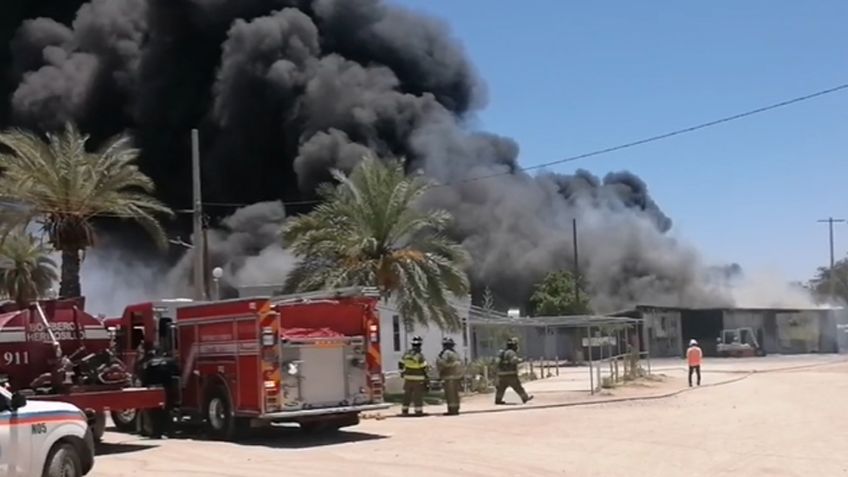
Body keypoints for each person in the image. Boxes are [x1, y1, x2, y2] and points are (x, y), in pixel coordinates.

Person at [494, 337, 534, 405]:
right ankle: (525, 398)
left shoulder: (503, 353)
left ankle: (498, 400)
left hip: (501, 375)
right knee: (518, 388)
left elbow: (496, 362)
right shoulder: (511, 353)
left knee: (500, 389)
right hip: (511, 375)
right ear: (514, 346)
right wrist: (520, 360)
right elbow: (514, 360)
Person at [398, 336, 429, 416]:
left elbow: (400, 363)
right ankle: (418, 411)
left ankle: (405, 410)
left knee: (407, 395)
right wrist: (426, 377)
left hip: (408, 378)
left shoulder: (407, 354)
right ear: (420, 345)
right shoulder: (420, 355)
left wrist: (402, 372)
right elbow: (424, 367)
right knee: (417, 396)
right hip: (418, 379)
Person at [436, 337, 462, 415]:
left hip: (448, 376)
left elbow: (443, 363)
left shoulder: (446, 353)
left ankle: (451, 410)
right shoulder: (455, 353)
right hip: (456, 377)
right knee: (455, 393)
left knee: (450, 394)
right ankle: (456, 409)